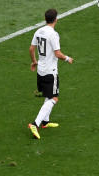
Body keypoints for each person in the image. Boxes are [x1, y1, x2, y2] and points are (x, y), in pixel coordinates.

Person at [28, 8, 74, 139]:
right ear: (56, 19)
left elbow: (31, 49)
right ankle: (35, 124)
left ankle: (45, 122)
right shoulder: (53, 34)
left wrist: (34, 62)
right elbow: (57, 53)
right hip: (50, 72)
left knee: (48, 96)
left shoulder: (38, 31)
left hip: (40, 70)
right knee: (54, 98)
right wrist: (67, 58)